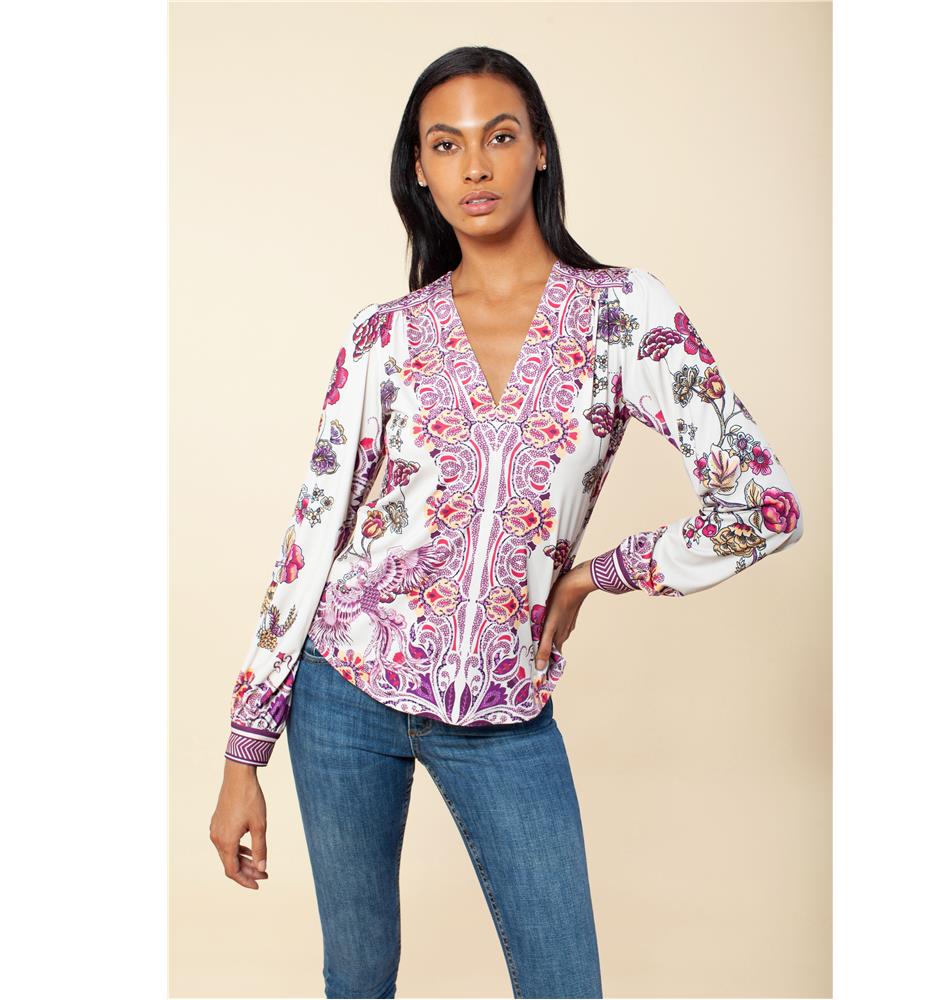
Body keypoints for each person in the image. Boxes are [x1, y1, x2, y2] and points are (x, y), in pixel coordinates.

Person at [209, 45, 804, 1000]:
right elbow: (314, 532)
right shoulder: (383, 335)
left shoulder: (622, 315)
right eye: (446, 145)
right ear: (419, 168)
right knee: (357, 978)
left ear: (540, 151)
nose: (475, 167)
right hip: (342, 693)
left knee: (564, 983)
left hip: (505, 709)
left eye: (499, 136)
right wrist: (245, 752)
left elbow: (763, 504)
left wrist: (598, 574)